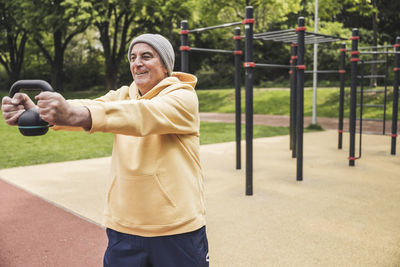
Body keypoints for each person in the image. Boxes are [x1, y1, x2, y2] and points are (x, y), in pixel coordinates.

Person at [1, 34, 209, 267]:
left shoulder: (183, 97)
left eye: (146, 56)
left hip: (177, 229)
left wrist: (72, 114)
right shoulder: (123, 96)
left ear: (165, 65)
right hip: (124, 227)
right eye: (133, 57)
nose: (137, 63)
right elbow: (93, 106)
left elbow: (140, 115)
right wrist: (41, 112)